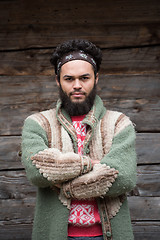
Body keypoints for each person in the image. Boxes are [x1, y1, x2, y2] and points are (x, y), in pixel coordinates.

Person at [22, 39, 137, 240]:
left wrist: (62, 176)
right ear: (58, 80)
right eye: (69, 79)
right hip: (56, 234)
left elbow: (124, 178)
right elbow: (36, 172)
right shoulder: (38, 123)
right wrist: (90, 165)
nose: (77, 85)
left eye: (84, 78)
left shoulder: (119, 123)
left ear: (96, 78)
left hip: (108, 234)